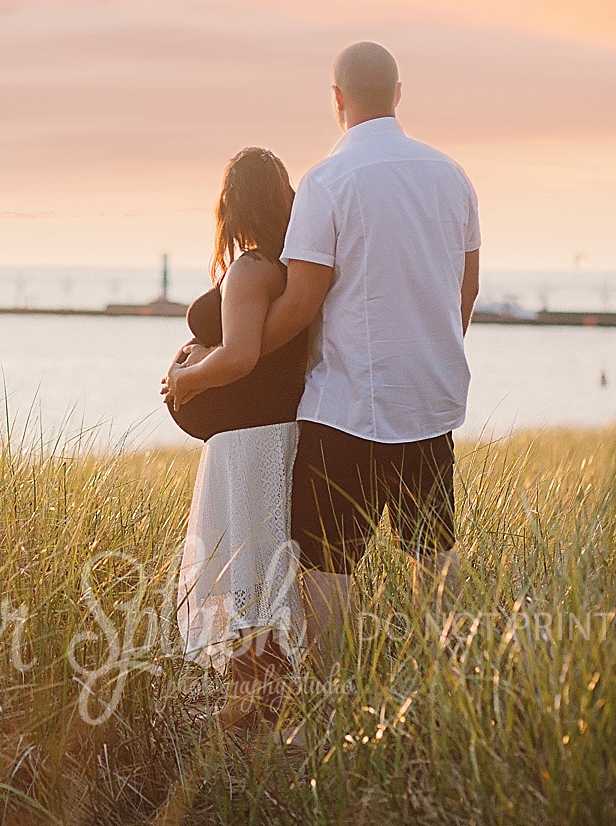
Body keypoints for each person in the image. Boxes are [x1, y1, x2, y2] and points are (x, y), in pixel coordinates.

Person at [173, 42, 481, 675]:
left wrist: (236, 359)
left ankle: (333, 689)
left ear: (337, 100)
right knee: (433, 553)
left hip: (344, 411)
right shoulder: (452, 176)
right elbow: (465, 292)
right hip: (430, 403)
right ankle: (448, 684)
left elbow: (301, 304)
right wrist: (426, 355)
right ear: (399, 92)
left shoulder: (326, 182)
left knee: (327, 560)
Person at [161, 147, 307, 730]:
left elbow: (241, 356)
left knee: (247, 574)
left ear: (233, 204)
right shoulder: (289, 267)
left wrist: (184, 379)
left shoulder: (251, 268)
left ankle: (249, 706)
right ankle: (263, 701)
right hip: (268, 436)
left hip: (249, 444)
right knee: (261, 571)